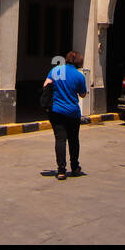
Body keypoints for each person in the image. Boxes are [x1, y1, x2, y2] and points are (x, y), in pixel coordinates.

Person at [43, 51, 88, 179]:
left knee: (60, 140)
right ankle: (75, 167)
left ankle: (61, 170)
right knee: (74, 140)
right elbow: (82, 94)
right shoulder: (79, 76)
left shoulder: (56, 70)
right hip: (73, 112)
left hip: (56, 111)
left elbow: (46, 85)